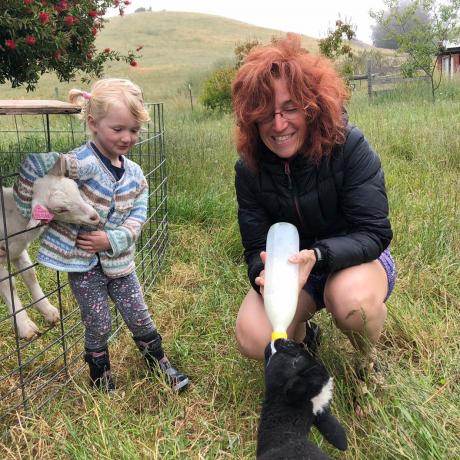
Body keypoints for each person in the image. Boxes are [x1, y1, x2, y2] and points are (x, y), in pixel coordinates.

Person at [231, 34, 396, 378]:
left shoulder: (349, 146)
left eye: (290, 108)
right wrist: (262, 273)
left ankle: (368, 363)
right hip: (294, 269)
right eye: (266, 113)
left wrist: (318, 256)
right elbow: (254, 247)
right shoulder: (248, 170)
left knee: (351, 304)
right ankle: (306, 340)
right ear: (252, 118)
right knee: (253, 336)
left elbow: (374, 231)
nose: (279, 125)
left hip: (355, 261)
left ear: (313, 106)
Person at [14, 78, 189, 393]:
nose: (127, 137)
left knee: (139, 314)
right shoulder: (82, 163)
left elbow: (137, 218)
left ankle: (159, 362)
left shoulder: (135, 176)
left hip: (120, 262)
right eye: (118, 129)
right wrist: (34, 204)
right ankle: (100, 375)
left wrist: (112, 239)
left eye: (134, 130)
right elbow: (36, 167)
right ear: (93, 123)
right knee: (98, 322)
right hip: (83, 266)